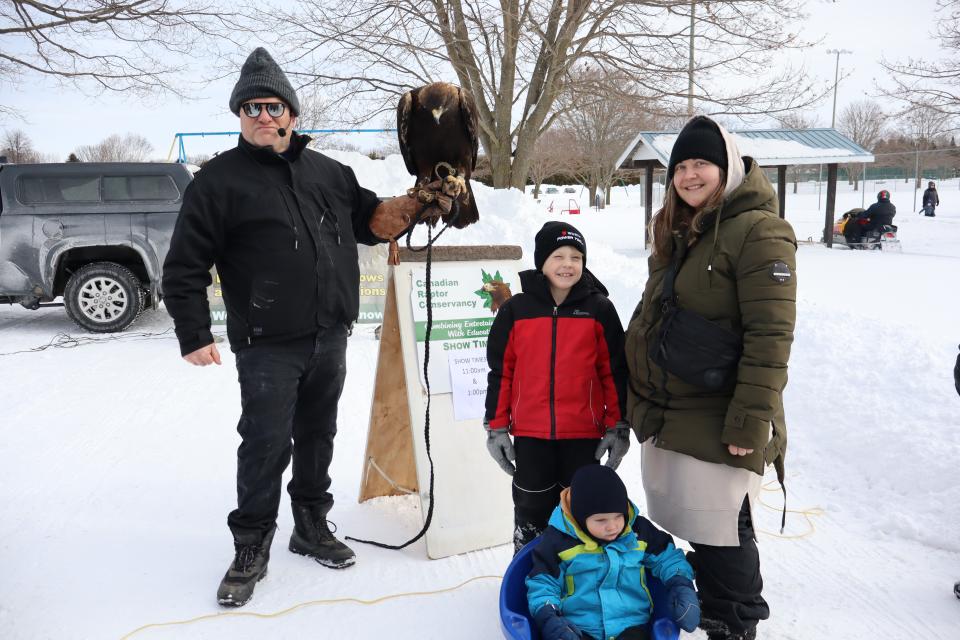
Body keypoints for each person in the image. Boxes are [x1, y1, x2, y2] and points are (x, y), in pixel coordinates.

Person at [162, 47, 436, 607]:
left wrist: (416, 202)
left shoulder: (331, 173)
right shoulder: (217, 182)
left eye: (273, 105)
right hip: (266, 341)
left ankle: (311, 526)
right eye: (251, 108)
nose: (263, 116)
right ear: (240, 116)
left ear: (292, 112)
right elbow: (184, 264)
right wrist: (194, 332)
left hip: (330, 332)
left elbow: (370, 221)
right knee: (265, 443)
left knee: (318, 435)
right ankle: (251, 543)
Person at [624, 115, 797, 640]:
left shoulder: (760, 230)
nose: (689, 175)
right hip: (678, 407)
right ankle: (717, 608)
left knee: (726, 526)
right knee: (700, 524)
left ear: (727, 166)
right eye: (681, 165)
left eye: (702, 163)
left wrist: (749, 422)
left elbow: (771, 336)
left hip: (723, 411)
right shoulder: (682, 229)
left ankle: (735, 622)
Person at [484, 221, 629, 553]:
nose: (568, 264)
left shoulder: (599, 309)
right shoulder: (515, 311)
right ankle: (529, 573)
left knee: (582, 508)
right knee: (531, 509)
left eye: (576, 257)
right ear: (542, 262)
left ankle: (581, 576)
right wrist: (496, 429)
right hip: (531, 436)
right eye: (558, 256)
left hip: (583, 436)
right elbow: (500, 373)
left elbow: (614, 373)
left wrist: (618, 426)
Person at [526, 464, 700, 640]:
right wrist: (549, 618)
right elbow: (543, 584)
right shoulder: (558, 542)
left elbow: (667, 558)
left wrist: (681, 585)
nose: (613, 526)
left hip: (632, 625)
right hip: (579, 628)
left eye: (618, 516)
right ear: (580, 518)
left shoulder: (638, 532)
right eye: (601, 520)